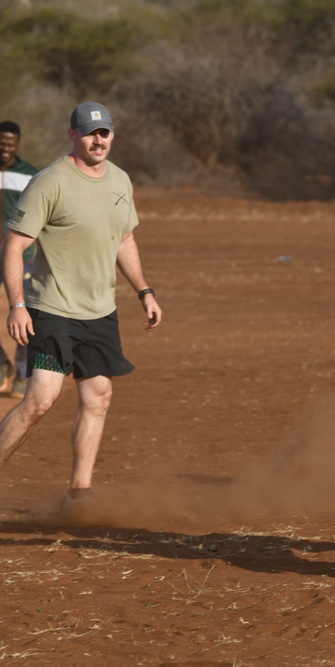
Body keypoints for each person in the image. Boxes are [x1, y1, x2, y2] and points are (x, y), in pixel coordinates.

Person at [0, 101, 162, 515]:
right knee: (40, 399)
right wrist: (17, 305)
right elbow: (15, 244)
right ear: (73, 135)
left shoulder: (120, 181)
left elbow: (124, 240)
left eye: (104, 132)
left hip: (99, 311)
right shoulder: (49, 181)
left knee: (98, 395)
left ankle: (79, 494)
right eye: (90, 133)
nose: (98, 139)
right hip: (53, 309)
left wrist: (144, 291)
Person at [0, 121, 39, 398]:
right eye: (1, 142)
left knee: (24, 314)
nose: (5, 148)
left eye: (10, 144)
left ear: (18, 144)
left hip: (21, 256)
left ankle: (23, 375)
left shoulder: (31, 176)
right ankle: (2, 365)